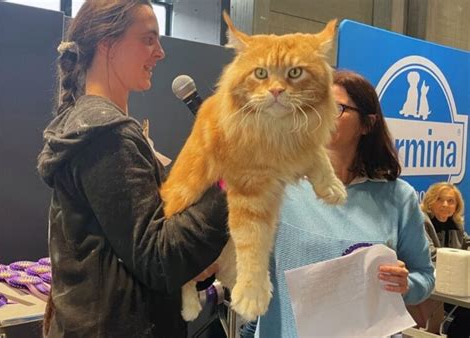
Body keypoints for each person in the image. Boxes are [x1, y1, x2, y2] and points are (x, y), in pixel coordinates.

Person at [36, 1, 228, 337]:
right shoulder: (108, 135)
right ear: (107, 43)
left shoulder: (91, 125)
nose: (160, 53)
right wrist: (229, 183)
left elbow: (141, 247)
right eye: (148, 39)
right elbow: (158, 259)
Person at [255, 70, 435, 337]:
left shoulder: (398, 197)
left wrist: (406, 284)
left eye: (337, 107)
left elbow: (425, 276)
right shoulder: (279, 181)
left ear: (367, 124)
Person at [420, 182, 469, 337]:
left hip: (453, 281)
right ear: (430, 201)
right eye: (440, 199)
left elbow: (467, 244)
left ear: (457, 205)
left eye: (451, 201)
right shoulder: (421, 221)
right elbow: (431, 254)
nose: (445, 205)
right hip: (431, 281)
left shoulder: (456, 223)